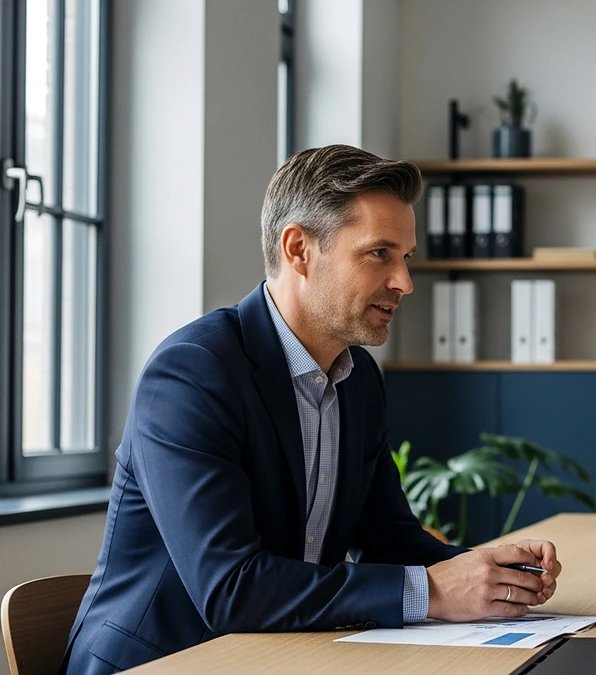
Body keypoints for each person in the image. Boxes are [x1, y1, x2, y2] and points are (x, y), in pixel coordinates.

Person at [65, 145, 562, 674]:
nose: (405, 282)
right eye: (380, 254)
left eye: (407, 257)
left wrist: (490, 573)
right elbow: (229, 589)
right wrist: (432, 591)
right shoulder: (193, 373)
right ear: (299, 249)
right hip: (167, 662)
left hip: (279, 656)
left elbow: (387, 538)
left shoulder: (359, 378)